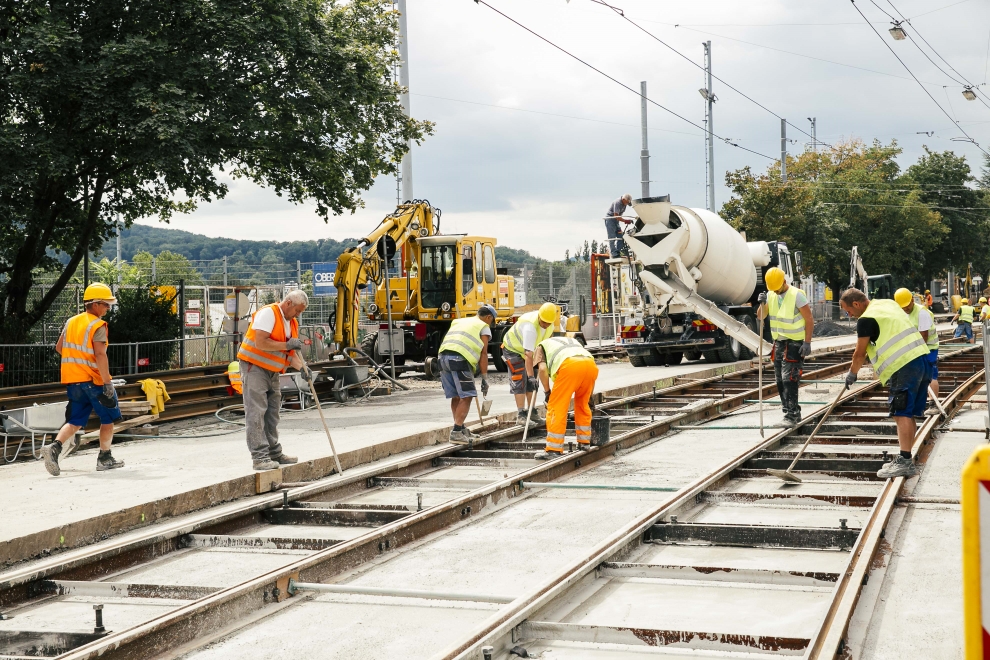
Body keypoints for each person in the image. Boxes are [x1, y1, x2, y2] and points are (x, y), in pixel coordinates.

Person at [840, 288, 931, 478]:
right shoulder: (887, 303)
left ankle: (905, 461)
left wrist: (852, 373)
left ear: (856, 304)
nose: (849, 315)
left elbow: (860, 353)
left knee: (901, 412)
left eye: (848, 311)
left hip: (903, 366)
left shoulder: (866, 319)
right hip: (922, 359)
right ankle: (906, 456)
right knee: (909, 412)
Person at [43, 283, 125, 476]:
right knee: (108, 418)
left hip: (74, 380)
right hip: (94, 381)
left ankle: (54, 447)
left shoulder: (72, 321)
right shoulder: (97, 325)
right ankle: (105, 458)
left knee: (75, 420)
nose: (108, 308)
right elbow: (100, 354)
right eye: (106, 304)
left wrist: (78, 361)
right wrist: (107, 383)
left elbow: (59, 347)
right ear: (95, 304)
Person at [237, 290, 309, 470]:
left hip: (273, 372)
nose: (298, 315)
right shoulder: (268, 313)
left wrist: (304, 369)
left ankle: (274, 453)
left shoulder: (291, 323)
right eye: (297, 311)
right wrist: (286, 345)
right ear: (289, 303)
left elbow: (290, 355)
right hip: (254, 368)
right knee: (256, 412)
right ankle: (260, 457)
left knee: (272, 413)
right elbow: (261, 342)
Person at [756, 267, 814, 428]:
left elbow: (809, 319)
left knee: (790, 379)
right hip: (779, 342)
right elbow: (761, 316)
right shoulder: (770, 295)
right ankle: (787, 411)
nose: (775, 291)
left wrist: (807, 342)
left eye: (777, 288)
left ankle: (792, 414)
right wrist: (762, 303)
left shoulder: (797, 295)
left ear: (784, 281)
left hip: (795, 343)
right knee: (780, 380)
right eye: (772, 289)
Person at [532, 336, 598, 459]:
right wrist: (590, 396)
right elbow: (584, 362)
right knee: (583, 404)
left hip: (569, 367)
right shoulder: (571, 341)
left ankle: (554, 449)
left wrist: (547, 393)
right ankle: (584, 442)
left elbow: (542, 369)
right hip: (590, 365)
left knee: (557, 407)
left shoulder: (541, 346)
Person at [438, 305, 496, 444]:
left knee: (457, 395)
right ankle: (457, 431)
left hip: (442, 358)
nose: (491, 324)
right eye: (492, 321)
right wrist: (484, 378)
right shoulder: (483, 326)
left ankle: (460, 428)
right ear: (488, 317)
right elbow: (483, 353)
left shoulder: (460, 321)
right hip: (459, 359)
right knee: (468, 395)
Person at [501, 302, 558, 426]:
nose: (545, 325)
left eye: (548, 323)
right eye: (543, 322)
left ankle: (532, 412)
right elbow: (528, 354)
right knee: (520, 380)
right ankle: (521, 415)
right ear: (539, 316)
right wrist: (530, 376)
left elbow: (545, 345)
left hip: (529, 352)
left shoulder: (550, 324)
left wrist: (534, 376)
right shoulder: (530, 326)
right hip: (513, 350)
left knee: (533, 384)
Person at [895, 288, 940, 414]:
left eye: (907, 305)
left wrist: (915, 354)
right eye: (903, 307)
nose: (906, 308)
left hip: (928, 348)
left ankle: (934, 404)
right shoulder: (902, 312)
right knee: (917, 375)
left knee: (930, 375)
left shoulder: (922, 313)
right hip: (914, 349)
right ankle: (918, 404)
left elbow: (923, 337)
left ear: (912, 300)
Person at [604, 194, 633, 258]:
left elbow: (618, 217)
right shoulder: (617, 203)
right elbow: (616, 216)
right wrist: (625, 221)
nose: (627, 204)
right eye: (627, 202)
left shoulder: (624, 205)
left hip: (616, 222)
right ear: (623, 199)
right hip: (610, 220)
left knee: (621, 237)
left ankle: (617, 252)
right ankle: (613, 253)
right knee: (612, 237)